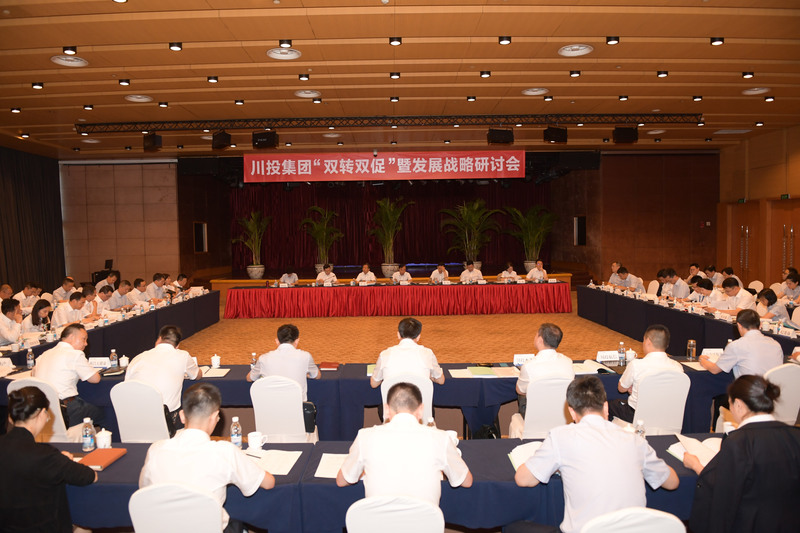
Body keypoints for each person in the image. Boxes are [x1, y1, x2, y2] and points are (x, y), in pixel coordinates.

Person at [513, 375, 679, 533]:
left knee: (515, 527)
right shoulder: (634, 439)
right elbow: (672, 482)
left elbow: (523, 479)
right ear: (606, 407)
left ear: (572, 412)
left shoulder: (561, 437)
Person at [139, 383, 275, 533]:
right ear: (215, 417)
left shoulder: (156, 450)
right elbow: (268, 483)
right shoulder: (224, 451)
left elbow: (144, 490)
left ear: (182, 416)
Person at [684, 375, 800, 533]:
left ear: (738, 404)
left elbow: (723, 496)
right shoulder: (795, 435)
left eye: (730, 404)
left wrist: (697, 466)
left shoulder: (738, 442)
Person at [336, 382, 472, 505]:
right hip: (425, 522)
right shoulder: (440, 438)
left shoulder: (365, 437)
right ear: (421, 410)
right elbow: (466, 481)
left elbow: (342, 481)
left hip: (379, 522)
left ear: (386, 410)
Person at [0, 386, 97, 532]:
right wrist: (62, 461)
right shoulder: (45, 456)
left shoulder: (45, 456)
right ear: (41, 414)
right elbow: (90, 476)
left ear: (10, 418)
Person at [125, 325, 202, 435]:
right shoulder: (183, 355)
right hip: (167, 419)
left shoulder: (138, 358)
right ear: (177, 346)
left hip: (135, 417)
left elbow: (126, 386)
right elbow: (197, 375)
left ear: (159, 339)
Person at [247, 324, 320, 432]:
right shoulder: (305, 356)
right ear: (297, 341)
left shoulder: (263, 358)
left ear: (277, 341)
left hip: (270, 413)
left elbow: (249, 378)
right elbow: (317, 375)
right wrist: (305, 374)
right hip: (297, 415)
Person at [609, 324, 684, 423]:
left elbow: (621, 389)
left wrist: (635, 389)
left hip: (636, 416)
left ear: (648, 341)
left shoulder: (636, 365)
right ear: (666, 344)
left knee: (608, 406)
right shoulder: (678, 367)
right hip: (667, 417)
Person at [32, 324, 103, 427]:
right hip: (66, 408)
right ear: (71, 337)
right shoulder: (75, 354)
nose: (86, 344)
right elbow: (95, 379)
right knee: (105, 413)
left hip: (42, 407)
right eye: (83, 339)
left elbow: (33, 373)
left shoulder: (44, 354)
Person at [699, 309, 783, 379]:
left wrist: (702, 360)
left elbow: (714, 370)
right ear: (760, 325)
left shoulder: (737, 345)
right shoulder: (775, 344)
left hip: (749, 391)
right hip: (773, 391)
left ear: (739, 325)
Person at [515, 323, 574, 417]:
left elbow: (520, 390)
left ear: (540, 340)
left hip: (536, 417)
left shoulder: (529, 365)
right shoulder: (568, 362)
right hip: (563, 416)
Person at [371, 317, 445, 389]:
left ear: (398, 335)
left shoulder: (385, 354)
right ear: (418, 337)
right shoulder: (428, 353)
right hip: (421, 397)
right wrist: (431, 377)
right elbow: (441, 381)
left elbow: (374, 384)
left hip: (392, 397)